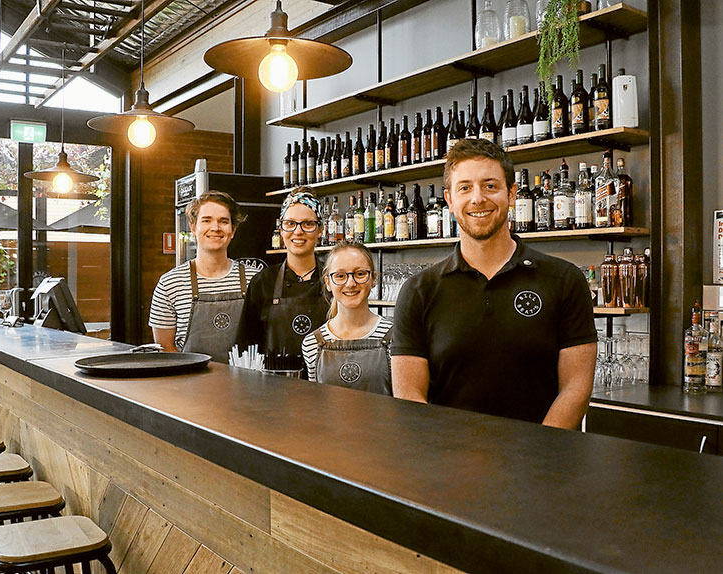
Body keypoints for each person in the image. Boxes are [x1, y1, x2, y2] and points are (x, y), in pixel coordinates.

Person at [391, 139, 597, 428]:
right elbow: (408, 394)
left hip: (541, 464)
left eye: (490, 186)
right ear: (450, 200)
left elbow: (576, 387)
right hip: (447, 463)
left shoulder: (564, 280)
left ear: (511, 194)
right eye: (465, 188)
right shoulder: (418, 291)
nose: (478, 199)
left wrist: (538, 455)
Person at [148, 191, 260, 363]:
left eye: (224, 221)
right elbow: (166, 349)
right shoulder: (170, 284)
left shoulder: (255, 279)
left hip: (246, 384)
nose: (215, 228)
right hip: (190, 384)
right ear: (193, 228)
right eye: (206, 220)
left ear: (233, 230)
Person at [236, 188, 329, 369]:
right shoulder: (262, 282)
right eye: (290, 223)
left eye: (308, 224)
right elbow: (245, 347)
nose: (298, 231)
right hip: (273, 388)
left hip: (325, 386)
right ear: (281, 229)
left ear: (320, 230)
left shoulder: (334, 279)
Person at [302, 242, 393, 394]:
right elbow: (317, 405)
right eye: (340, 276)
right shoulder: (312, 343)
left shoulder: (394, 337)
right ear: (328, 283)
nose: (350, 283)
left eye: (360, 274)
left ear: (374, 279)